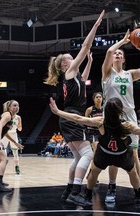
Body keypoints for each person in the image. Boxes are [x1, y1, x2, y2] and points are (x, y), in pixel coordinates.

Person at [49, 97, 140, 206]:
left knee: (94, 172)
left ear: (106, 110)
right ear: (121, 111)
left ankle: (88, 195)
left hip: (104, 154)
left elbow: (78, 118)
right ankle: (138, 194)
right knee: (133, 173)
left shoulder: (101, 121)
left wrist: (58, 112)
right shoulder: (126, 125)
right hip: (121, 155)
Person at [44, 10, 105, 203]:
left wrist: (90, 62)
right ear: (65, 65)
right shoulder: (69, 72)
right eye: (71, 58)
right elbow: (86, 45)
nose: (73, 59)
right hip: (72, 116)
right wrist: (94, 27)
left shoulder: (74, 77)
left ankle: (68, 190)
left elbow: (84, 78)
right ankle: (76, 193)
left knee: (78, 158)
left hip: (69, 117)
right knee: (87, 154)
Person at [101, 29, 140, 203]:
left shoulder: (129, 74)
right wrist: (123, 42)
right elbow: (109, 51)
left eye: (120, 54)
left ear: (124, 59)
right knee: (114, 157)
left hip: (130, 116)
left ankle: (139, 187)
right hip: (112, 118)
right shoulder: (107, 74)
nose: (116, 54)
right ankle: (112, 186)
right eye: (115, 54)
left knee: (135, 155)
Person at [85, 92, 103, 181]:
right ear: (93, 99)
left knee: (99, 155)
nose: (99, 98)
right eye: (97, 97)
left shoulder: (105, 110)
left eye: (100, 97)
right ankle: (92, 175)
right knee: (96, 152)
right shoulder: (89, 109)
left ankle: (91, 173)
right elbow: (84, 121)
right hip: (92, 133)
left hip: (102, 133)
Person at [2, 105, 22, 175]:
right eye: (15, 106)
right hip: (5, 134)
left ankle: (17, 167)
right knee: (2, 152)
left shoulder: (18, 117)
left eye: (18, 106)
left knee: (15, 153)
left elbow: (20, 129)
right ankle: (0, 168)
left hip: (13, 134)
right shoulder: (6, 116)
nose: (17, 107)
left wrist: (19, 127)